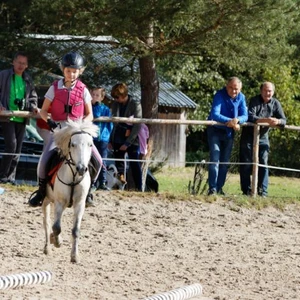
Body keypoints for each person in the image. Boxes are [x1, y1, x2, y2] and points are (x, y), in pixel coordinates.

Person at [28, 51, 102, 207]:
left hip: (77, 131)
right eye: (68, 71)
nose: (72, 74)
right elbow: (43, 110)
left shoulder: (83, 90)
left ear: (80, 71)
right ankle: (41, 191)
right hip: (59, 131)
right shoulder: (54, 87)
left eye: (75, 71)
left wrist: (82, 125)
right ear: (63, 70)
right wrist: (49, 121)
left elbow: (90, 115)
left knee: (99, 160)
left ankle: (89, 191)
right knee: (45, 160)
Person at [239, 82, 286, 197]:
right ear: (261, 91)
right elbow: (251, 116)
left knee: (263, 163)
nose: (267, 93)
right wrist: (266, 120)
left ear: (273, 92)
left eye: (269, 91)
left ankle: (262, 192)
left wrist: (278, 121)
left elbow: (284, 120)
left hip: (263, 137)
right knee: (246, 163)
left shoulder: (276, 103)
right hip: (249, 136)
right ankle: (246, 191)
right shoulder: (254, 100)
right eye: (265, 90)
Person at [0, 51, 38, 184]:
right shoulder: (4, 75)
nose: (21, 66)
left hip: (22, 117)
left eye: (24, 63)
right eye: (19, 62)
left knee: (18, 148)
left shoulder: (27, 79)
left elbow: (33, 96)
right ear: (13, 62)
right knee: (11, 144)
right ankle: (3, 176)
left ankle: (11, 177)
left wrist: (33, 107)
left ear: (27, 65)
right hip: (7, 116)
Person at [207, 77, 248, 196]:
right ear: (226, 86)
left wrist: (237, 120)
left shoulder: (241, 97)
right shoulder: (219, 95)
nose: (233, 91)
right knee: (215, 159)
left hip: (229, 133)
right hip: (215, 131)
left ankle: (219, 188)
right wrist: (230, 121)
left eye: (236, 89)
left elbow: (245, 115)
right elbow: (215, 114)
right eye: (231, 88)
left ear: (240, 89)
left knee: (225, 162)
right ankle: (212, 189)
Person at [109, 83, 143, 191]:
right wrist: (111, 139)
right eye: (114, 97)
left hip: (132, 138)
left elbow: (137, 125)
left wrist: (128, 143)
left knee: (134, 164)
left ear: (124, 95)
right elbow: (112, 122)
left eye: (117, 97)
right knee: (119, 164)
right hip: (118, 136)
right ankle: (120, 186)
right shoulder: (115, 104)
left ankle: (139, 187)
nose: (116, 99)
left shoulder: (135, 104)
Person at [91, 87, 113, 191]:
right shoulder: (88, 107)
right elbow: (94, 115)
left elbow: (109, 124)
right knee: (92, 160)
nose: (94, 97)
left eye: (97, 95)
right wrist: (94, 105)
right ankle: (92, 182)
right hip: (92, 137)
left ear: (102, 97)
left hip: (103, 138)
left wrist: (107, 136)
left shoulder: (105, 109)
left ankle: (102, 182)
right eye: (93, 94)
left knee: (102, 160)